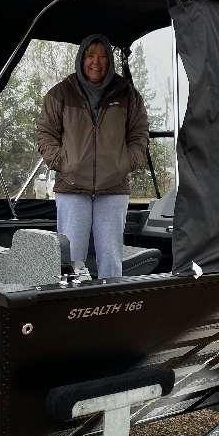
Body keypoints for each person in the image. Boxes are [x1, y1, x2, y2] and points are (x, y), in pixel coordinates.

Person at [36, 33, 149, 279]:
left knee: (110, 257)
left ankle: (111, 309)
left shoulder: (127, 94)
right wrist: (64, 162)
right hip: (72, 188)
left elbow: (140, 134)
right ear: (81, 58)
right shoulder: (60, 93)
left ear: (109, 61)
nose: (96, 62)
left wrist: (126, 162)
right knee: (70, 259)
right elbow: (45, 133)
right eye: (90, 55)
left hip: (114, 188)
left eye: (102, 56)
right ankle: (69, 306)